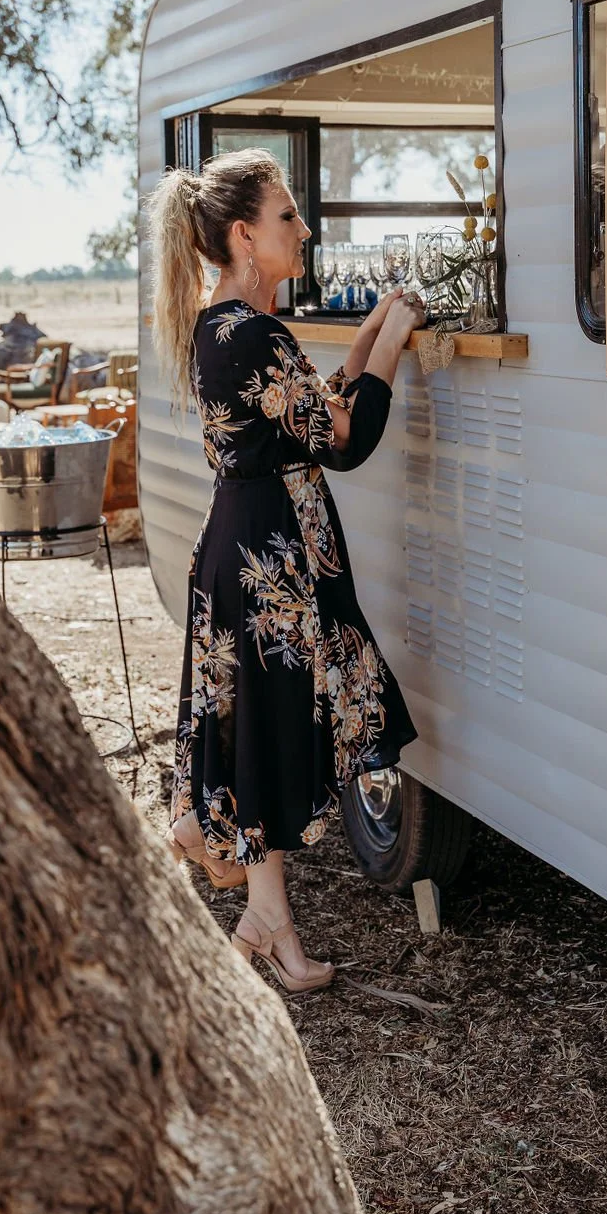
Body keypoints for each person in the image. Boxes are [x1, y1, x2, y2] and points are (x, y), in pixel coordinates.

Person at [149, 149, 425, 994]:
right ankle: (254, 901)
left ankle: (267, 920)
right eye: (287, 217)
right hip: (269, 559)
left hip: (246, 544)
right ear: (243, 234)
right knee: (273, 727)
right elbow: (343, 442)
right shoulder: (256, 333)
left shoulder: (219, 324)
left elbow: (302, 419)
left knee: (263, 728)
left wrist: (374, 331)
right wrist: (398, 345)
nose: (302, 231)